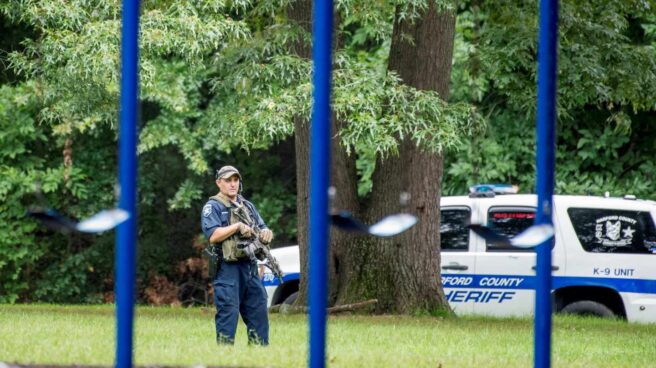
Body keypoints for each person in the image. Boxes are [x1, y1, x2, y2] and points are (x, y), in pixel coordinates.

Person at [201, 165, 274, 345]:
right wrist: (236, 227)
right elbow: (213, 236)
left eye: (236, 180)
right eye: (228, 180)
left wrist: (267, 233)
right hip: (227, 269)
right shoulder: (213, 207)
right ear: (219, 183)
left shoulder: (247, 205)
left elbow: (262, 228)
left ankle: (259, 355)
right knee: (228, 313)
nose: (233, 184)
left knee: (258, 311)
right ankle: (224, 358)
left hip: (249, 267)